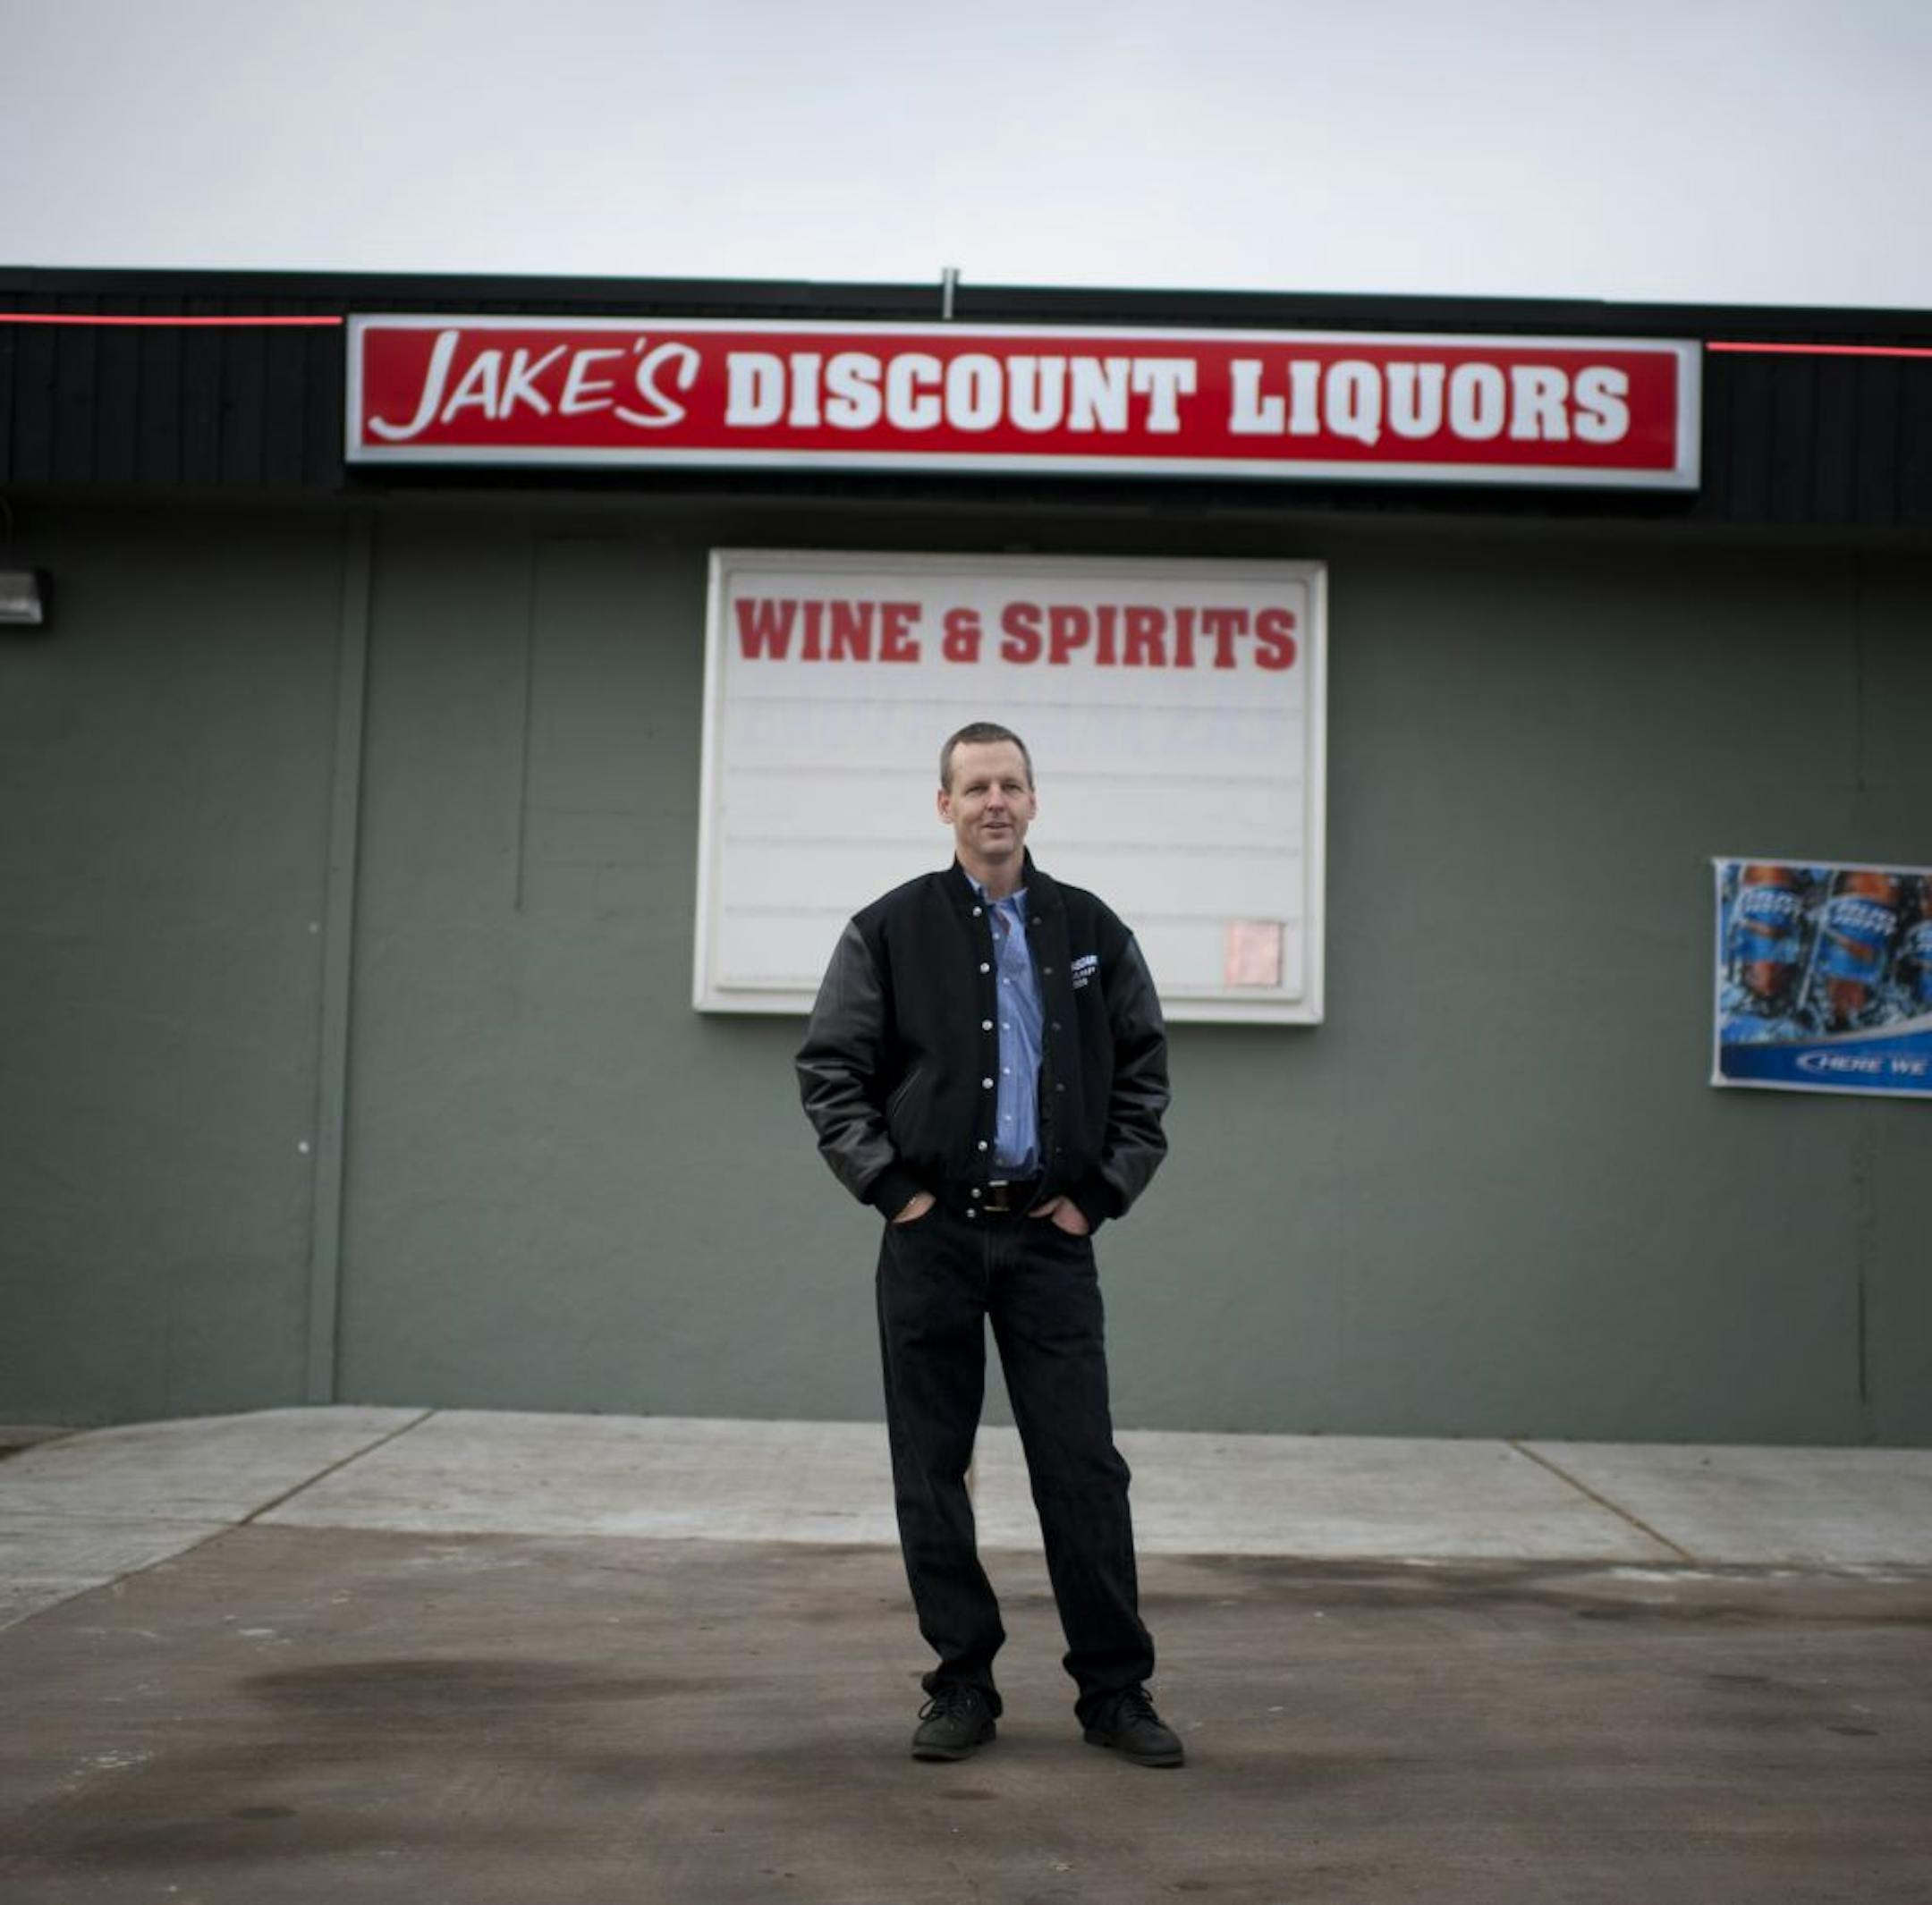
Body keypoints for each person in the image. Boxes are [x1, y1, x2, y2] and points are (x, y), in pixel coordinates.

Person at [795, 720, 1182, 1768]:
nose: (994, 801)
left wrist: (1097, 1197)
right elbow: (830, 1072)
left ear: (1033, 800)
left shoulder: (1090, 927)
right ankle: (960, 1683)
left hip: (1051, 1240)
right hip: (933, 1240)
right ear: (945, 806)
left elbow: (1144, 1076)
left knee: (1085, 1468)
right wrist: (893, 1190)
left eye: (1010, 783)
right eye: (974, 787)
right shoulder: (888, 929)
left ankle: (1115, 1693)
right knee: (934, 1469)